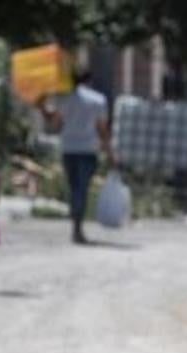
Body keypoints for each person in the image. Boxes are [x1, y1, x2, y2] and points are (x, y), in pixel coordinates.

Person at [36, 66, 116, 244]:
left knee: (74, 188)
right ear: (89, 81)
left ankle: (76, 226)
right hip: (88, 150)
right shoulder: (98, 100)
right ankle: (77, 227)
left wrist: (41, 106)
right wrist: (111, 153)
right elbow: (102, 130)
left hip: (69, 149)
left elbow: (55, 124)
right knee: (82, 188)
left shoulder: (65, 100)